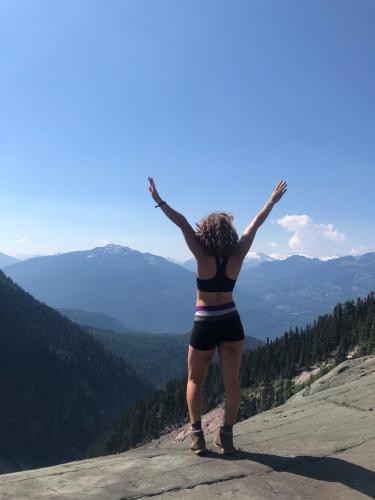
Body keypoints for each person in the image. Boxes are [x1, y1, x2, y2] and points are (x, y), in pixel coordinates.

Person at [148, 176, 287, 454]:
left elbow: (182, 223)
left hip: (205, 322)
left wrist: (159, 201)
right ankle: (226, 435)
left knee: (195, 379)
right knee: (232, 382)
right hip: (231, 321)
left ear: (207, 231)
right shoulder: (238, 253)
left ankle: (197, 435)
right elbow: (255, 224)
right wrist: (271, 202)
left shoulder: (201, 254)